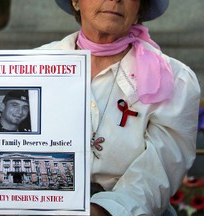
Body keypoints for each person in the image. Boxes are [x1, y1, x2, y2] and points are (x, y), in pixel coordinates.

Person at [38, 0, 201, 215]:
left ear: (139, 9)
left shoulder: (174, 79)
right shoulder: (33, 66)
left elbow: (158, 171)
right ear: (76, 2)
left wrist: (102, 210)